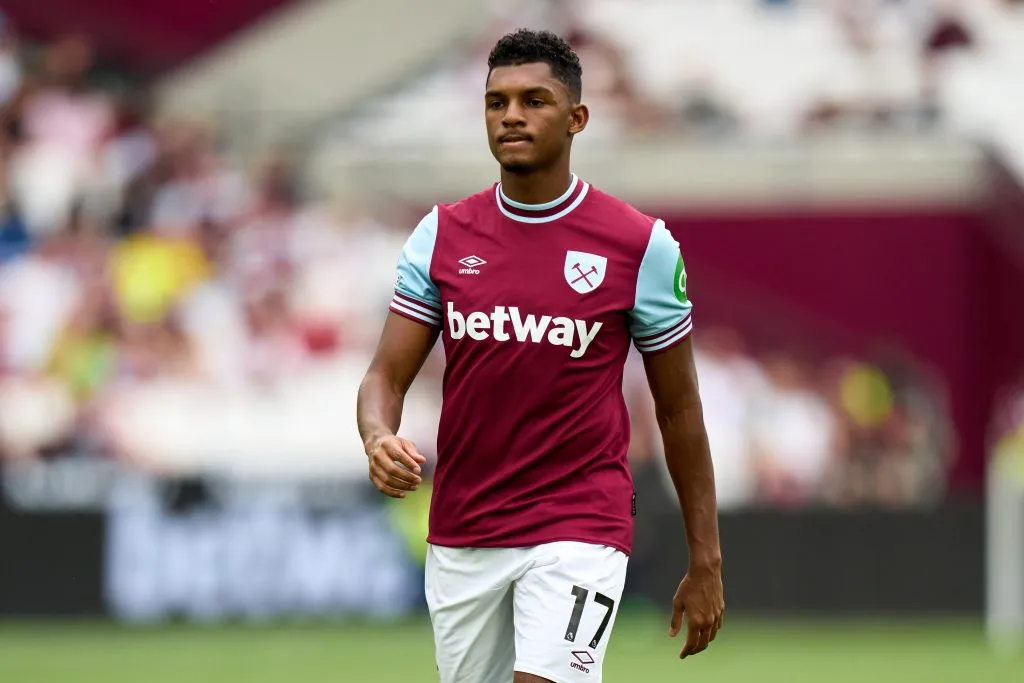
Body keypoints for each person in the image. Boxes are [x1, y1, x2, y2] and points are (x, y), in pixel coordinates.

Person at [356, 29, 724, 683]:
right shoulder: (441, 236)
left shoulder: (640, 246)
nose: (512, 116)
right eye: (497, 102)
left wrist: (706, 559)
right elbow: (385, 375)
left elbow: (680, 408)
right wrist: (377, 432)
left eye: (534, 100)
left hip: (580, 524)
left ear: (577, 117)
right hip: (465, 529)